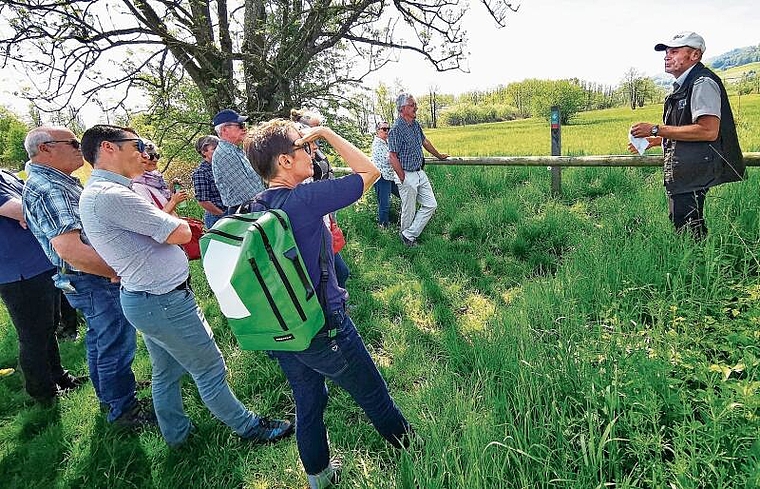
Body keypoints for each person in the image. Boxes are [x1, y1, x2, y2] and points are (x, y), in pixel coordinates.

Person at [79, 124, 294, 447]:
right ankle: (250, 427)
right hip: (162, 301)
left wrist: (167, 223)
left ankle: (177, 437)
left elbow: (167, 229)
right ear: (109, 148)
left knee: (166, 371)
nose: (142, 151)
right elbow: (179, 234)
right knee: (209, 367)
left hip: (147, 298)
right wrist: (174, 224)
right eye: (135, 144)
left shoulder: (106, 192)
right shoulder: (113, 196)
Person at [245, 119, 413, 489]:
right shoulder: (302, 200)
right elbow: (369, 171)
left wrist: (313, 142)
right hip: (324, 327)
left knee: (309, 403)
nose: (312, 151)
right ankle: (418, 455)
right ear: (285, 161)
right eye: (304, 146)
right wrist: (327, 133)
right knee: (374, 396)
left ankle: (318, 477)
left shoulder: (254, 206)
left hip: (282, 330)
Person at [21, 126, 151, 428]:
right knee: (115, 341)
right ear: (46, 149)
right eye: (73, 143)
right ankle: (123, 409)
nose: (80, 147)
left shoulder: (56, 181)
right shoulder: (48, 188)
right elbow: (71, 249)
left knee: (101, 339)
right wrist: (117, 271)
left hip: (88, 278)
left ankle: (114, 394)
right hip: (93, 277)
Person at [630, 31, 744, 239]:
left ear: (695, 55)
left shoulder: (702, 83)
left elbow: (708, 130)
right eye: (666, 52)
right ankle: (696, 267)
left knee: (689, 232)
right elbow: (688, 128)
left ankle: (696, 270)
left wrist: (656, 129)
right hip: (687, 169)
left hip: (694, 171)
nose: (667, 56)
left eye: (674, 51)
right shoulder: (684, 84)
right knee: (685, 225)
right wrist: (657, 141)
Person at [0, 168, 86, 404]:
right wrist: (27, 213)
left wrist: (28, 213)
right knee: (33, 334)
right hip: (18, 272)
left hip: (40, 263)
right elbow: (24, 209)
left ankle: (59, 377)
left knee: (49, 326)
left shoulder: (5, 174)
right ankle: (42, 392)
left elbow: (27, 206)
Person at [291, 109, 350, 288]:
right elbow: (368, 172)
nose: (316, 146)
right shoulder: (300, 176)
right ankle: (333, 306)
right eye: (310, 142)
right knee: (336, 271)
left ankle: (334, 301)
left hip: (325, 211)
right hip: (317, 219)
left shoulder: (312, 155)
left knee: (335, 270)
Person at [388, 93, 449, 247]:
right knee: (409, 209)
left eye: (415, 104)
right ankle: (407, 242)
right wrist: (402, 177)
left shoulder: (415, 124)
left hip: (419, 172)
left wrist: (439, 155)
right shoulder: (396, 129)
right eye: (412, 105)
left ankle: (408, 235)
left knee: (431, 204)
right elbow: (392, 156)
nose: (416, 107)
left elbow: (425, 142)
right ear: (402, 109)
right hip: (406, 174)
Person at [211, 109, 266, 212]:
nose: (244, 129)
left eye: (244, 125)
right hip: (247, 211)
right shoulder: (226, 154)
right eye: (240, 125)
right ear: (224, 130)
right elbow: (247, 193)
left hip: (252, 207)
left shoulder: (234, 150)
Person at [131, 140, 188, 215]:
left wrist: (172, 190)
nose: (155, 159)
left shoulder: (155, 181)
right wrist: (173, 201)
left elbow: (164, 207)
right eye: (150, 156)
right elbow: (154, 220)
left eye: (156, 155)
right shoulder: (138, 187)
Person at [370, 121, 400, 228]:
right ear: (378, 131)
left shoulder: (386, 142)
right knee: (384, 204)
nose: (387, 131)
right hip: (381, 177)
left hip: (390, 176)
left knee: (403, 195)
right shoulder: (377, 144)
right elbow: (389, 159)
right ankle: (383, 228)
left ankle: (404, 220)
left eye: (388, 129)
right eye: (384, 129)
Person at [192, 135, 226, 228]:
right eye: (214, 149)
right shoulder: (201, 172)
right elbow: (203, 201)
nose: (219, 151)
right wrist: (222, 215)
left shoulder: (221, 167)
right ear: (204, 152)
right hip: (216, 218)